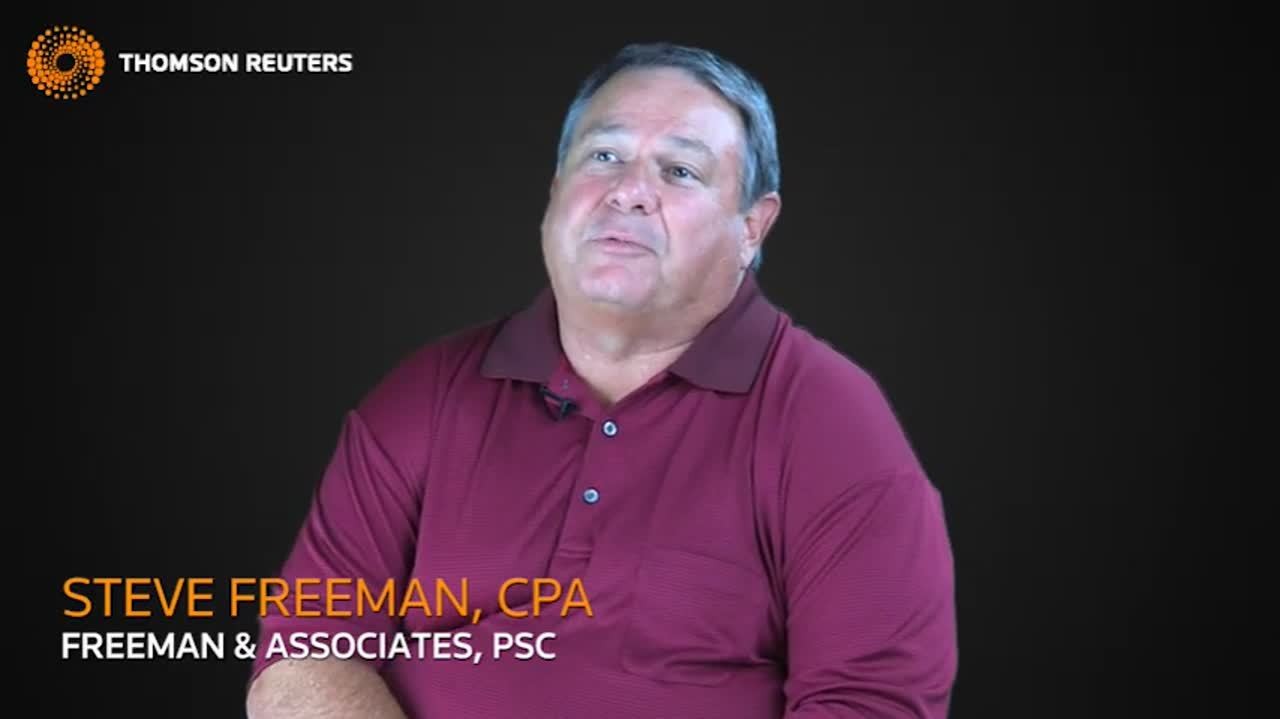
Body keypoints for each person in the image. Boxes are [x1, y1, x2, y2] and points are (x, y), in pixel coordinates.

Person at [245, 41, 958, 718]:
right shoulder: (427, 393)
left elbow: (873, 702)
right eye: (605, 155)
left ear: (752, 227)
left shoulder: (832, 424)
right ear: (557, 191)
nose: (629, 192)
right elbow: (300, 656)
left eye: (680, 171)